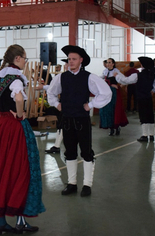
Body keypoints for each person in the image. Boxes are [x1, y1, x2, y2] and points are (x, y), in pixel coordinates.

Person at [0, 44, 45, 235]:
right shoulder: (16, 78)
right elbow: (19, 99)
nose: (25, 61)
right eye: (24, 58)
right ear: (17, 59)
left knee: (1, 170)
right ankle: (20, 221)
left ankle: (0, 222)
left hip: (0, 127)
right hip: (15, 128)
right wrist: (21, 115)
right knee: (19, 170)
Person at [47, 45, 112, 197]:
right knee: (69, 152)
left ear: (81, 60)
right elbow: (51, 92)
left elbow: (106, 93)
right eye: (69, 59)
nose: (71, 61)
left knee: (86, 152)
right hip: (67, 120)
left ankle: (87, 184)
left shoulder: (89, 77)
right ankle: (72, 183)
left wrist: (91, 105)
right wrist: (57, 104)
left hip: (82, 120)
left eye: (74, 59)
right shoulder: (61, 77)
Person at [115, 57, 155, 142]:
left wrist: (117, 76)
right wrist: (153, 90)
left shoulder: (137, 75)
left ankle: (145, 135)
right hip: (148, 97)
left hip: (141, 98)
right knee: (150, 115)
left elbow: (126, 81)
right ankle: (151, 135)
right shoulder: (154, 75)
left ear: (143, 65)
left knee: (143, 115)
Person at [44, 58, 68, 154]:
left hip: (73, 107)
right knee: (61, 126)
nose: (66, 65)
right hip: (64, 105)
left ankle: (61, 147)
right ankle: (57, 146)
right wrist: (56, 103)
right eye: (66, 63)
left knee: (68, 127)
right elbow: (53, 88)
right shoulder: (61, 77)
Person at [99, 58, 129, 136]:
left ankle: (116, 127)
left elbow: (123, 79)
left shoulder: (116, 71)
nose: (108, 64)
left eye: (109, 62)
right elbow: (100, 78)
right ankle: (111, 128)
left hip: (114, 93)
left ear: (113, 64)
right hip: (107, 93)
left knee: (115, 109)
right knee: (108, 110)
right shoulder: (105, 71)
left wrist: (119, 85)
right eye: (107, 62)